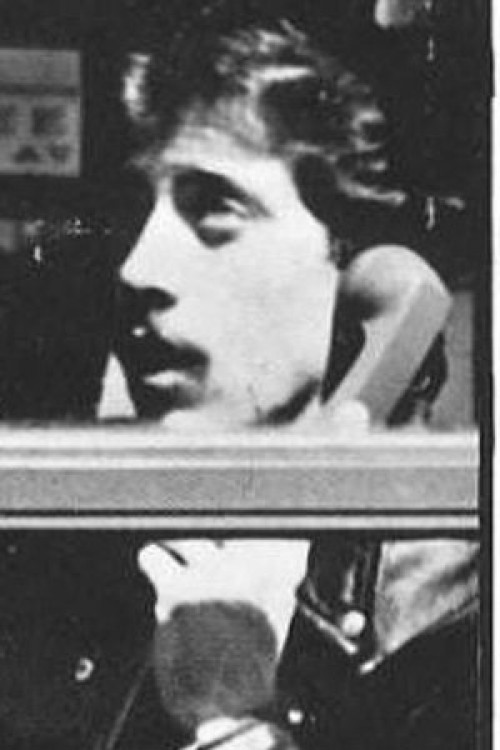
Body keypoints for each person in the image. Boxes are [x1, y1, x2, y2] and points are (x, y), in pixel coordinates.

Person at [108, 9, 479, 750]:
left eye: (216, 210)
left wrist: (232, 721)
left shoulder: (454, 633)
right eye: (134, 213)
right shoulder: (76, 557)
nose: (137, 269)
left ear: (367, 286)